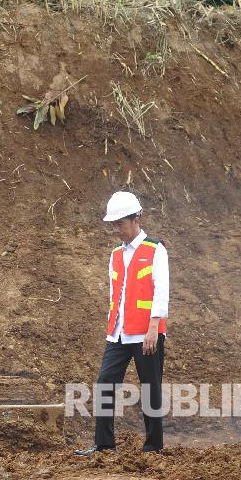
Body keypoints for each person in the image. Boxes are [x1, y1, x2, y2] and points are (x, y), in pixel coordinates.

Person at [75, 191, 169, 456]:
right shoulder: (115, 254)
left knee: (151, 388)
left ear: (136, 219)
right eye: (114, 225)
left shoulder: (155, 249)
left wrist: (153, 328)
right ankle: (104, 444)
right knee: (105, 382)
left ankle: (153, 446)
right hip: (118, 333)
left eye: (120, 224)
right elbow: (115, 294)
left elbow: (161, 291)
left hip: (146, 332)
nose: (117, 230)